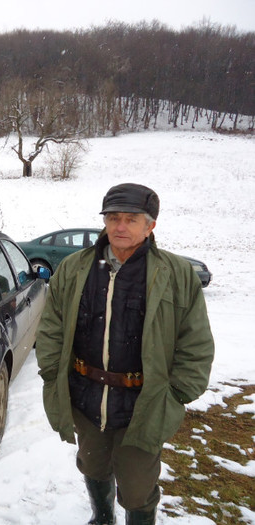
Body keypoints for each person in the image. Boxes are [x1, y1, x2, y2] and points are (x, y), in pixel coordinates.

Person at [35, 183, 215, 525]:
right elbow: (51, 327)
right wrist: (50, 371)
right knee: (92, 465)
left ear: (150, 226)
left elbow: (196, 342)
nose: (120, 227)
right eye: (113, 218)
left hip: (143, 403)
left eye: (131, 219)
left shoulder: (175, 275)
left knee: (136, 487)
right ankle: (102, 517)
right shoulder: (75, 269)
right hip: (86, 396)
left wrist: (177, 393)